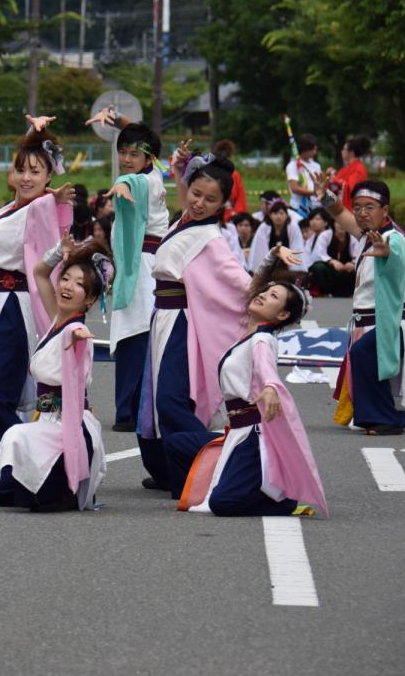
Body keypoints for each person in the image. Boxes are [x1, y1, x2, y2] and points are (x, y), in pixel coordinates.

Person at [141, 148, 301, 496]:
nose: (199, 202)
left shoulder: (208, 238)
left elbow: (240, 285)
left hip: (180, 322)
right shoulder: (186, 222)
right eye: (196, 193)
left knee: (170, 401)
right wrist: (179, 165)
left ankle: (227, 458)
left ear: (222, 205)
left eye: (210, 199)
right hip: (165, 319)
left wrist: (271, 262)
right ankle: (180, 469)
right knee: (162, 401)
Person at [168, 257, 326, 517]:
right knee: (177, 443)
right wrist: (272, 257)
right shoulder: (248, 332)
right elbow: (253, 287)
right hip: (234, 434)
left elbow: (267, 370)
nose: (263, 295)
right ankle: (229, 480)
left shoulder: (262, 340)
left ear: (283, 315)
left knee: (222, 503)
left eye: (272, 296)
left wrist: (272, 387)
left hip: (252, 437)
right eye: (265, 291)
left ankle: (282, 501)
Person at [0, 116, 75, 480]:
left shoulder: (42, 210)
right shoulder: (5, 211)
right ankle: (5, 461)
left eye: (37, 171)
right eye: (21, 170)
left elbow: (49, 229)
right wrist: (34, 135)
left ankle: (16, 463)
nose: (27, 177)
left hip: (12, 304)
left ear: (49, 177)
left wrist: (52, 200)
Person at [0, 240, 112, 511]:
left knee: (16, 441)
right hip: (47, 421)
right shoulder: (57, 319)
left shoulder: (75, 330)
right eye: (66, 279)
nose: (68, 286)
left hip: (69, 426)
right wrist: (59, 250)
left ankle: (61, 485)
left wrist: (79, 335)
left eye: (79, 284)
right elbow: (38, 273)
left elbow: (76, 337)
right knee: (9, 479)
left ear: (91, 298)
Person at [317, 177, 405, 435]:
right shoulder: (368, 235)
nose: (361, 213)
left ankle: (385, 420)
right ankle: (391, 415)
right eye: (358, 207)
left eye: (369, 207)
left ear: (385, 210)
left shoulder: (393, 239)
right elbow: (340, 212)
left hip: (386, 322)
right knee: (367, 367)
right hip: (366, 322)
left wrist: (387, 252)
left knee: (363, 356)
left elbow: (395, 259)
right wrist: (325, 196)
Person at [97, 117, 169, 435]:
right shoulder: (155, 172)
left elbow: (139, 183)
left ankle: (130, 410)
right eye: (122, 152)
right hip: (140, 264)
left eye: (133, 154)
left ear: (148, 158)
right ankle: (134, 407)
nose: (126, 159)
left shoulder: (145, 182)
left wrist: (125, 184)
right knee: (138, 335)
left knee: (135, 336)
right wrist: (124, 123)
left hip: (143, 268)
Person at [307, 210, 360, 297]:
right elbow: (319, 253)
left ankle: (347, 293)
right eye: (338, 223)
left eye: (343, 223)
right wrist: (331, 261)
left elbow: (357, 254)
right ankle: (324, 292)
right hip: (329, 269)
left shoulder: (352, 237)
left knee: (356, 271)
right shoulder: (325, 235)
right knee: (318, 267)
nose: (341, 226)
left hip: (346, 269)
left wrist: (353, 263)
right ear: (334, 224)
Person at [248, 200, 305, 274]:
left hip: (288, 265)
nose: (278, 217)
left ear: (286, 215)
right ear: (270, 215)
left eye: (281, 213)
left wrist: (294, 269)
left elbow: (297, 247)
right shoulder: (264, 228)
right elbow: (260, 250)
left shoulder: (293, 227)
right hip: (270, 264)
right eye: (275, 213)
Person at [286, 134, 322, 217]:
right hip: (298, 208)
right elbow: (295, 188)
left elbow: (320, 184)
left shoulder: (316, 165)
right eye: (313, 149)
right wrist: (314, 193)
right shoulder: (293, 165)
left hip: (315, 207)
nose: (315, 151)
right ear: (305, 149)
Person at [212, 139, 248, 221]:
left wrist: (236, 215)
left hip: (232, 216)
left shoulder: (235, 175)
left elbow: (240, 199)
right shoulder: (210, 172)